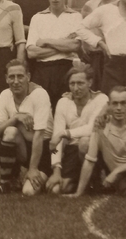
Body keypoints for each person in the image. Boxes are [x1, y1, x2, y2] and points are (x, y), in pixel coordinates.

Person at [0, 60, 53, 196]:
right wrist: (15, 118)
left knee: (28, 192)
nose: (16, 81)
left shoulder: (40, 94)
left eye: (20, 76)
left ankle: (41, 174)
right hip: (23, 149)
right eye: (11, 77)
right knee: (10, 131)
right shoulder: (5, 94)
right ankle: (5, 183)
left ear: (28, 76)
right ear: (6, 79)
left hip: (44, 150)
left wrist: (33, 168)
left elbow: (39, 136)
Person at [27, 0, 95, 108]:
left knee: (65, 109)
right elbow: (31, 52)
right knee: (42, 111)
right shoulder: (37, 18)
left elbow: (75, 45)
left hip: (66, 70)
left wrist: (46, 41)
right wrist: (64, 45)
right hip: (43, 72)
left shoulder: (75, 16)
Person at [46, 63, 108, 195]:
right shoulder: (63, 102)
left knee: (84, 142)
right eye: (72, 84)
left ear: (90, 82)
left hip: (96, 149)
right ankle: (78, 182)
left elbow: (92, 128)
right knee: (57, 189)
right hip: (72, 151)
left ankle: (95, 180)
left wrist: (64, 133)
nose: (75, 88)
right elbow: (56, 137)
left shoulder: (101, 99)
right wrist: (56, 170)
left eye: (80, 83)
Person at [80, 0, 120, 91]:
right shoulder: (89, 6)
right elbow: (82, 34)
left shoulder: (123, 5)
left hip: (116, 59)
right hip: (95, 60)